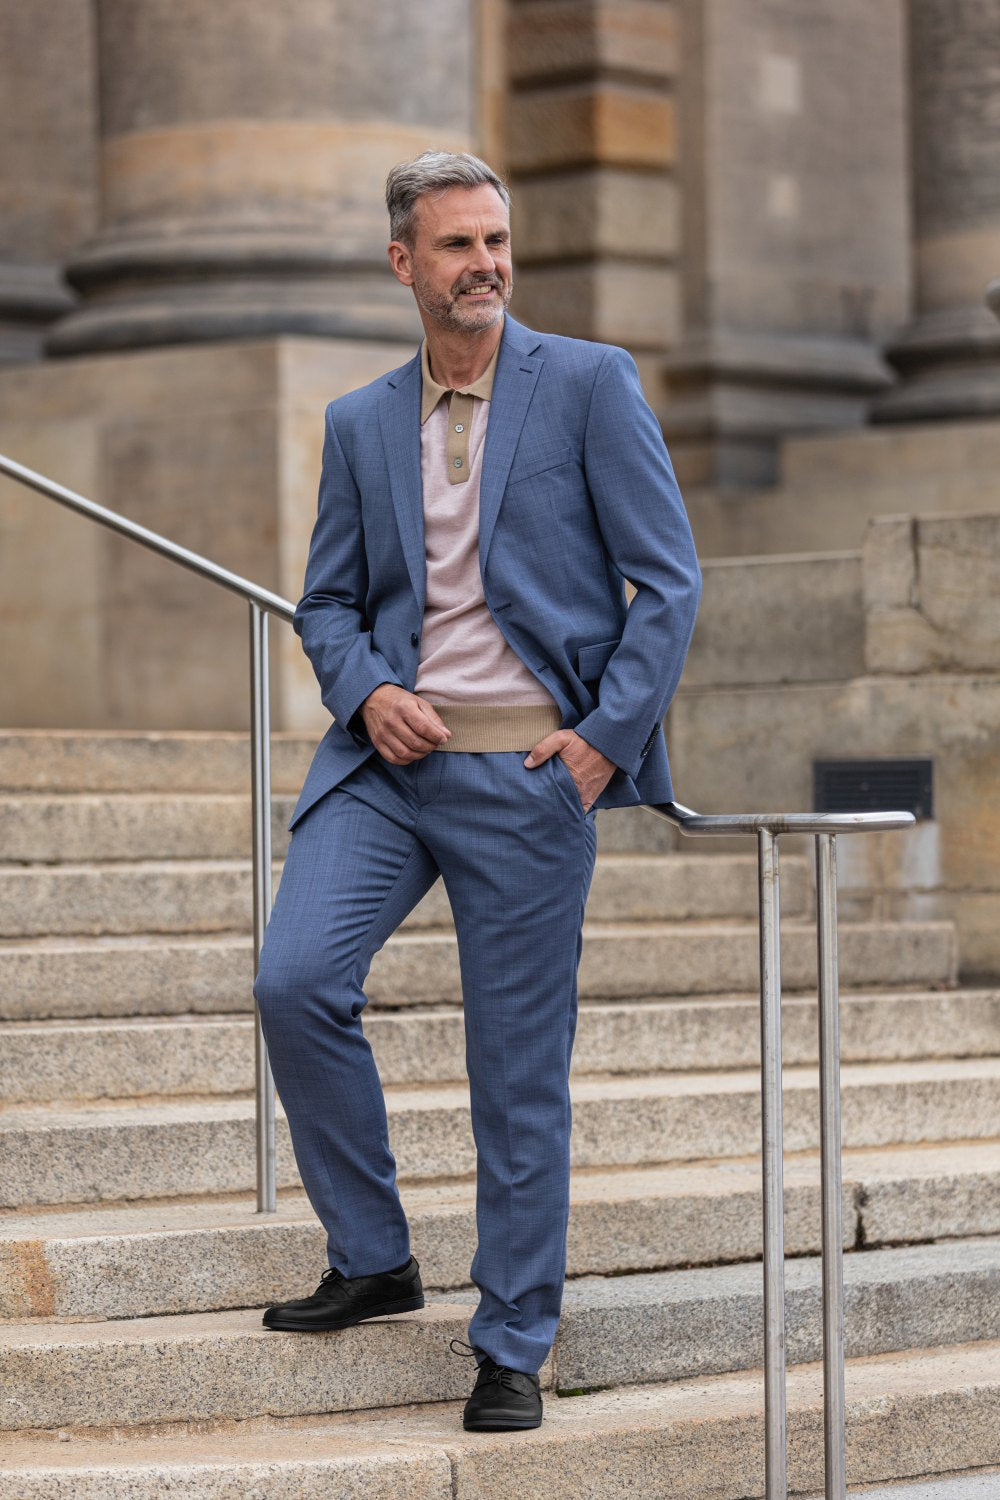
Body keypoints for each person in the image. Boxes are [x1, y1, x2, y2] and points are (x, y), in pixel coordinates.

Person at [252, 149, 702, 1432]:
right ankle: (374, 1256)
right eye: (456, 245)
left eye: (496, 240)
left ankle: (513, 1340)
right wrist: (361, 688)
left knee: (515, 1072)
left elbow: (667, 583)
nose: (484, 264)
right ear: (405, 263)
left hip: (528, 774)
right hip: (390, 769)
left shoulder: (590, 386)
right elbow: (328, 597)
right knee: (294, 981)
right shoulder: (358, 421)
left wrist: (601, 742)